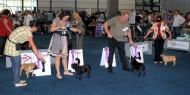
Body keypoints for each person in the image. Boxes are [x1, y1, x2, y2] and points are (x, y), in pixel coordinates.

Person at [47, 10, 81, 79]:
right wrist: (59, 27)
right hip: (56, 38)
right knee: (58, 57)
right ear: (62, 15)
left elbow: (71, 28)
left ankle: (66, 71)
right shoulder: (56, 20)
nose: (66, 19)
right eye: (66, 17)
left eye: (68, 18)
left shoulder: (67, 22)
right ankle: (58, 73)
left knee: (65, 56)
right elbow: (51, 29)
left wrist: (77, 30)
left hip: (64, 39)